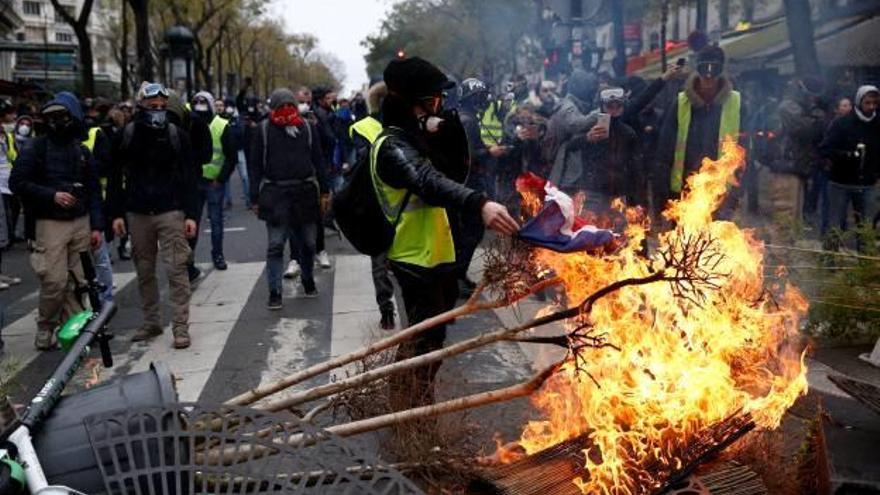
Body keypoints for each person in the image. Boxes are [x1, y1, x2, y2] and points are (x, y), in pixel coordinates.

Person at [374, 57, 519, 410]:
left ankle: (414, 412)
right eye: (434, 101)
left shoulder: (416, 138)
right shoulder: (392, 145)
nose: (440, 107)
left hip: (436, 255)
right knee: (420, 347)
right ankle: (410, 419)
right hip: (413, 258)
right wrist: (481, 204)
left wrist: (448, 129)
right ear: (413, 104)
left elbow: (456, 170)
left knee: (431, 344)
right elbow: (429, 181)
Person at [10, 92, 104, 350]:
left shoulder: (82, 151)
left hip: (80, 221)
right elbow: (17, 183)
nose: (57, 122)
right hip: (49, 223)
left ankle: (76, 330)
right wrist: (52, 195)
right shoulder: (35, 148)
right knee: (54, 281)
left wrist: (97, 226)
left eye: (62, 116)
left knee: (79, 281)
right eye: (51, 117)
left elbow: (93, 190)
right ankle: (45, 324)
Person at [108, 83, 198, 349]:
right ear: (141, 107)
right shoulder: (126, 135)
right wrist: (116, 214)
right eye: (152, 106)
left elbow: (190, 177)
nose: (158, 110)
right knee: (144, 270)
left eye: (162, 106)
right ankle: (152, 322)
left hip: (171, 211)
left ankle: (181, 327)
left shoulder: (177, 135)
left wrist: (191, 214)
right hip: (138, 213)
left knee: (176, 269)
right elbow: (114, 177)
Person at [249, 88, 329, 310]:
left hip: (305, 193)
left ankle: (307, 278)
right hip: (276, 196)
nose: (287, 110)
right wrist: (254, 197)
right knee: (275, 246)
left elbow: (319, 161)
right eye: (282, 106)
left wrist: (325, 191)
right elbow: (254, 166)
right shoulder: (263, 131)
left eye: (290, 106)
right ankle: (275, 292)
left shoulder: (308, 128)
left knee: (309, 243)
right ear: (273, 108)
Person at [656, 45, 744, 207]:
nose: (708, 77)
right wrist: (662, 188)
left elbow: (744, 149)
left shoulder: (736, 102)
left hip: (720, 189)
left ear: (721, 71)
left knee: (718, 232)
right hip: (683, 187)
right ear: (697, 70)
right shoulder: (681, 102)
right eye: (704, 70)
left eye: (714, 71)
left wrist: (740, 187)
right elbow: (665, 147)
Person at [349, 81, 396, 330]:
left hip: (377, 202)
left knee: (380, 261)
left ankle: (386, 308)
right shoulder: (403, 124)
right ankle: (392, 309)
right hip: (394, 202)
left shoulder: (362, 127)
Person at [818, 85, 880, 252]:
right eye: (868, 103)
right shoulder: (842, 123)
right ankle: (829, 261)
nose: (871, 107)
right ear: (859, 102)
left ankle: (864, 266)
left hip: (867, 184)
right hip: (840, 183)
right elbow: (825, 149)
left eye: (875, 103)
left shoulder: (877, 124)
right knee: (835, 225)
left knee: (866, 227)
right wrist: (847, 155)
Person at [772, 77, 831, 232]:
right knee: (785, 218)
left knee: (795, 220)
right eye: (812, 95)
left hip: (800, 166)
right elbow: (807, 129)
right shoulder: (788, 107)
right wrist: (819, 117)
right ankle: (782, 253)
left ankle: (788, 252)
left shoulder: (804, 107)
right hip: (787, 166)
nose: (814, 99)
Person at [455, 78, 494, 297]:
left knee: (469, 232)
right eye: (479, 97)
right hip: (469, 183)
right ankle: (457, 277)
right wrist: (490, 152)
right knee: (471, 232)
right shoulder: (468, 121)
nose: (483, 101)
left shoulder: (464, 118)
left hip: (466, 183)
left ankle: (459, 275)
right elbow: (469, 155)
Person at [190, 91, 236, 271]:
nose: (200, 106)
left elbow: (231, 156)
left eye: (203, 102)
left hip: (214, 182)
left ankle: (218, 255)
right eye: (197, 102)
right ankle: (188, 261)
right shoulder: (191, 123)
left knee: (216, 221)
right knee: (192, 222)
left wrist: (221, 178)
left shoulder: (222, 125)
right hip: (195, 181)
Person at [581, 87, 642, 217]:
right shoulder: (591, 125)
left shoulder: (629, 133)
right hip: (594, 191)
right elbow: (571, 146)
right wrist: (587, 138)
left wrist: (637, 200)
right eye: (609, 106)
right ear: (602, 106)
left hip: (619, 192)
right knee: (593, 231)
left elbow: (636, 167)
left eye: (618, 106)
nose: (614, 110)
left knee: (619, 232)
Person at [544, 68, 599, 194]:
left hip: (571, 166)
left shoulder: (574, 105)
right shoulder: (567, 107)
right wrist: (599, 112)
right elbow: (576, 124)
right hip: (566, 167)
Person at [311, 88, 336, 269]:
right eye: (327, 98)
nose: (330, 100)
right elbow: (329, 139)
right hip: (321, 164)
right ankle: (318, 250)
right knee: (317, 211)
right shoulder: (320, 115)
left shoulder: (323, 113)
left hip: (320, 164)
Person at [0, 99, 21, 290]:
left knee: (5, 228)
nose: (13, 118)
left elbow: (11, 157)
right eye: (9, 114)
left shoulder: (6, 135)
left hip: (7, 184)